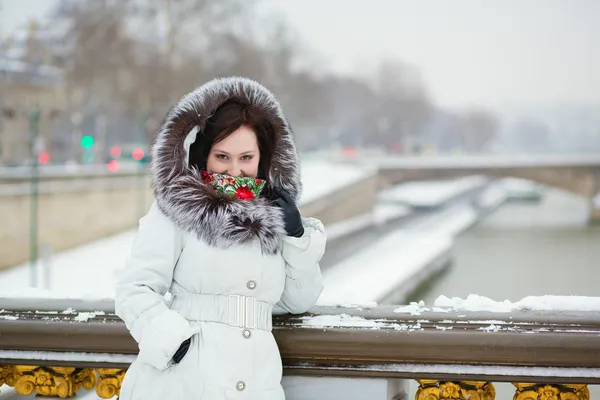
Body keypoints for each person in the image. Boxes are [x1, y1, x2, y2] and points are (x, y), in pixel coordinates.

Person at [115, 76, 326, 399]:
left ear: (263, 159)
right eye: (222, 157)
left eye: (246, 158)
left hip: (256, 381)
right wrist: (172, 341)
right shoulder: (178, 209)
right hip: (185, 382)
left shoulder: (272, 217)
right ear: (203, 155)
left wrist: (296, 235)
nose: (234, 171)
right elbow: (135, 288)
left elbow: (297, 301)